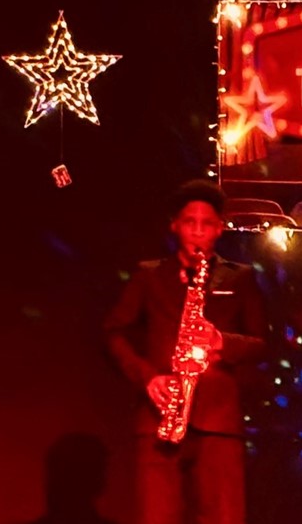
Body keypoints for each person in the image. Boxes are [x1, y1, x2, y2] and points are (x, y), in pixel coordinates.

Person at [103, 179, 267, 524]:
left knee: (223, 517)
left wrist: (221, 340)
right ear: (175, 225)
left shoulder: (240, 277)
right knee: (157, 516)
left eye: (206, 224)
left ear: (219, 229)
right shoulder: (148, 275)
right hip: (159, 415)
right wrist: (147, 378)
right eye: (189, 223)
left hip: (218, 420)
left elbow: (261, 343)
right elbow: (114, 332)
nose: (197, 232)